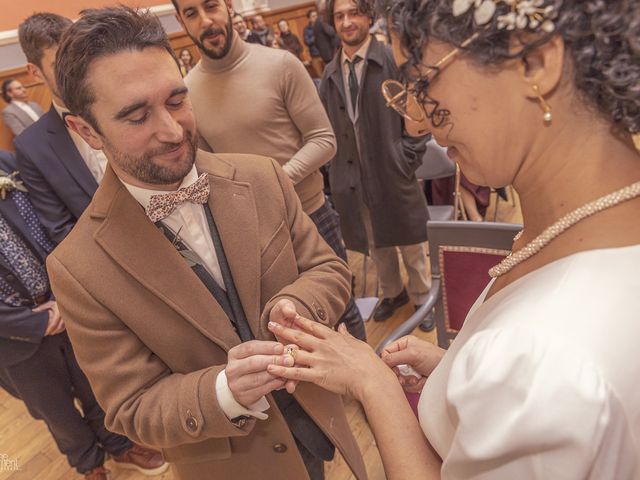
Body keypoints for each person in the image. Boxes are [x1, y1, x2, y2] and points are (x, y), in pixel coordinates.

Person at [268, 0, 640, 478]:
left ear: (535, 63)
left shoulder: (540, 360)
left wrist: (373, 384)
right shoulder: (589, 237)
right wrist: (458, 371)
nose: (416, 123)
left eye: (423, 82)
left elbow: (542, 367)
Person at [47, 7, 367, 480]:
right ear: (86, 130)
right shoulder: (77, 268)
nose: (174, 132)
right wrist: (222, 391)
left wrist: (295, 303)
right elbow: (130, 407)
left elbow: (328, 269)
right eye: (136, 117)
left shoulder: (262, 176)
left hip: (319, 425)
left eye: (177, 101)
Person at [173, 0, 366, 340]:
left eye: (211, 6)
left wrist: (271, 184)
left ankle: (368, 390)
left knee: (340, 311)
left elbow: (323, 140)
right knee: (286, 326)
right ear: (180, 21)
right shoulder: (189, 93)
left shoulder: (280, 65)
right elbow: (207, 170)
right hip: (249, 234)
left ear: (228, 6)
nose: (205, 21)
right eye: (191, 13)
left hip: (310, 216)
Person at [0, 151, 167, 480]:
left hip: (62, 303)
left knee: (94, 384)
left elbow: (46, 224)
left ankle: (119, 444)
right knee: (55, 409)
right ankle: (88, 463)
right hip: (14, 339)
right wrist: (36, 322)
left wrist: (64, 294)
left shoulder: (8, 163)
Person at [319, 0, 432, 324]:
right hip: (353, 177)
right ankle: (392, 292)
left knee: (410, 241)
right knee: (374, 240)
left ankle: (423, 297)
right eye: (340, 16)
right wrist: (335, 172)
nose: (347, 22)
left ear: (368, 16)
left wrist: (407, 157)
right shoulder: (329, 74)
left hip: (392, 168)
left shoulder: (391, 60)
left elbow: (417, 115)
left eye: (354, 13)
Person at [14, 13, 106, 244]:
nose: (73, 71)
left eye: (76, 57)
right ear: (35, 72)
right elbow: (61, 230)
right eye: (58, 65)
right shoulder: (32, 148)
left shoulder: (121, 104)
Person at [303, 9, 325, 77]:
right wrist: (315, 37)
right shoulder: (306, 29)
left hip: (325, 55)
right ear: (309, 18)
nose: (316, 17)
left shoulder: (323, 25)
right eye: (313, 16)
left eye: (316, 15)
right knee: (320, 77)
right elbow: (307, 41)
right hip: (315, 56)